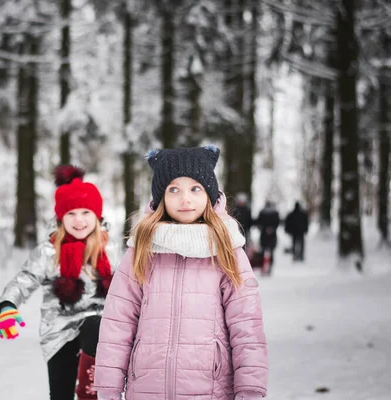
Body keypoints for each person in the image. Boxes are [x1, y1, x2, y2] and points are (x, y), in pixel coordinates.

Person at [94, 145, 268, 400]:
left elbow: (246, 325)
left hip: (210, 389)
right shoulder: (142, 247)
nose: (184, 198)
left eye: (195, 188)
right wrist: (108, 387)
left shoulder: (227, 248)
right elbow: (117, 322)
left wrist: (250, 390)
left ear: (209, 194)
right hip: (147, 387)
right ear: (160, 197)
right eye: (173, 189)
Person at [0, 165, 119, 400]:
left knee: (94, 323)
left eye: (85, 213)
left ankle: (89, 391)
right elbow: (26, 278)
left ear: (97, 216)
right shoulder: (49, 251)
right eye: (71, 214)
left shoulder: (109, 250)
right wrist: (8, 305)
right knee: (60, 393)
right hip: (59, 329)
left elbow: (129, 285)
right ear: (61, 218)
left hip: (97, 332)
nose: (79, 220)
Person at [255, 200, 280, 272]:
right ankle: (269, 267)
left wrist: (263, 228)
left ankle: (264, 266)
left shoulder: (262, 212)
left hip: (264, 235)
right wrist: (272, 229)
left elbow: (258, 223)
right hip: (271, 235)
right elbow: (277, 223)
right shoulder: (275, 213)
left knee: (264, 251)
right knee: (270, 251)